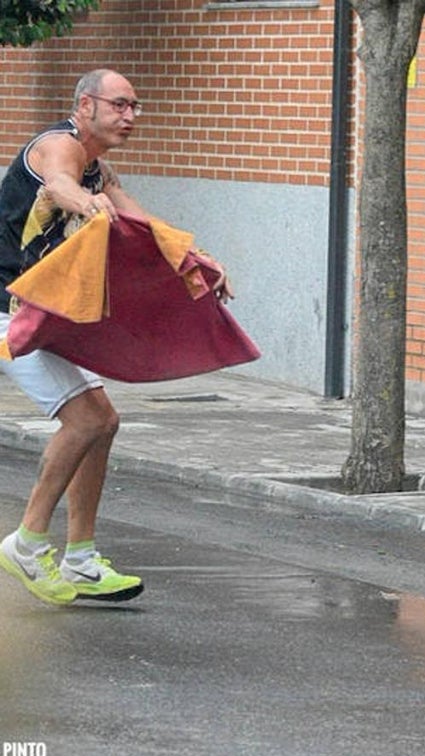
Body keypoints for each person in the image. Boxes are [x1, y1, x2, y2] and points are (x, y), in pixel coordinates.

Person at [0, 69, 227, 606]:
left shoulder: (101, 170)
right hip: (6, 314)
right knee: (89, 419)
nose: (130, 116)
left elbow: (145, 227)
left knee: (104, 423)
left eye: (134, 107)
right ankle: (27, 544)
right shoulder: (58, 146)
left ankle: (79, 558)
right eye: (119, 105)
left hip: (44, 311)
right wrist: (82, 201)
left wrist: (197, 261)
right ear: (85, 105)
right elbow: (58, 184)